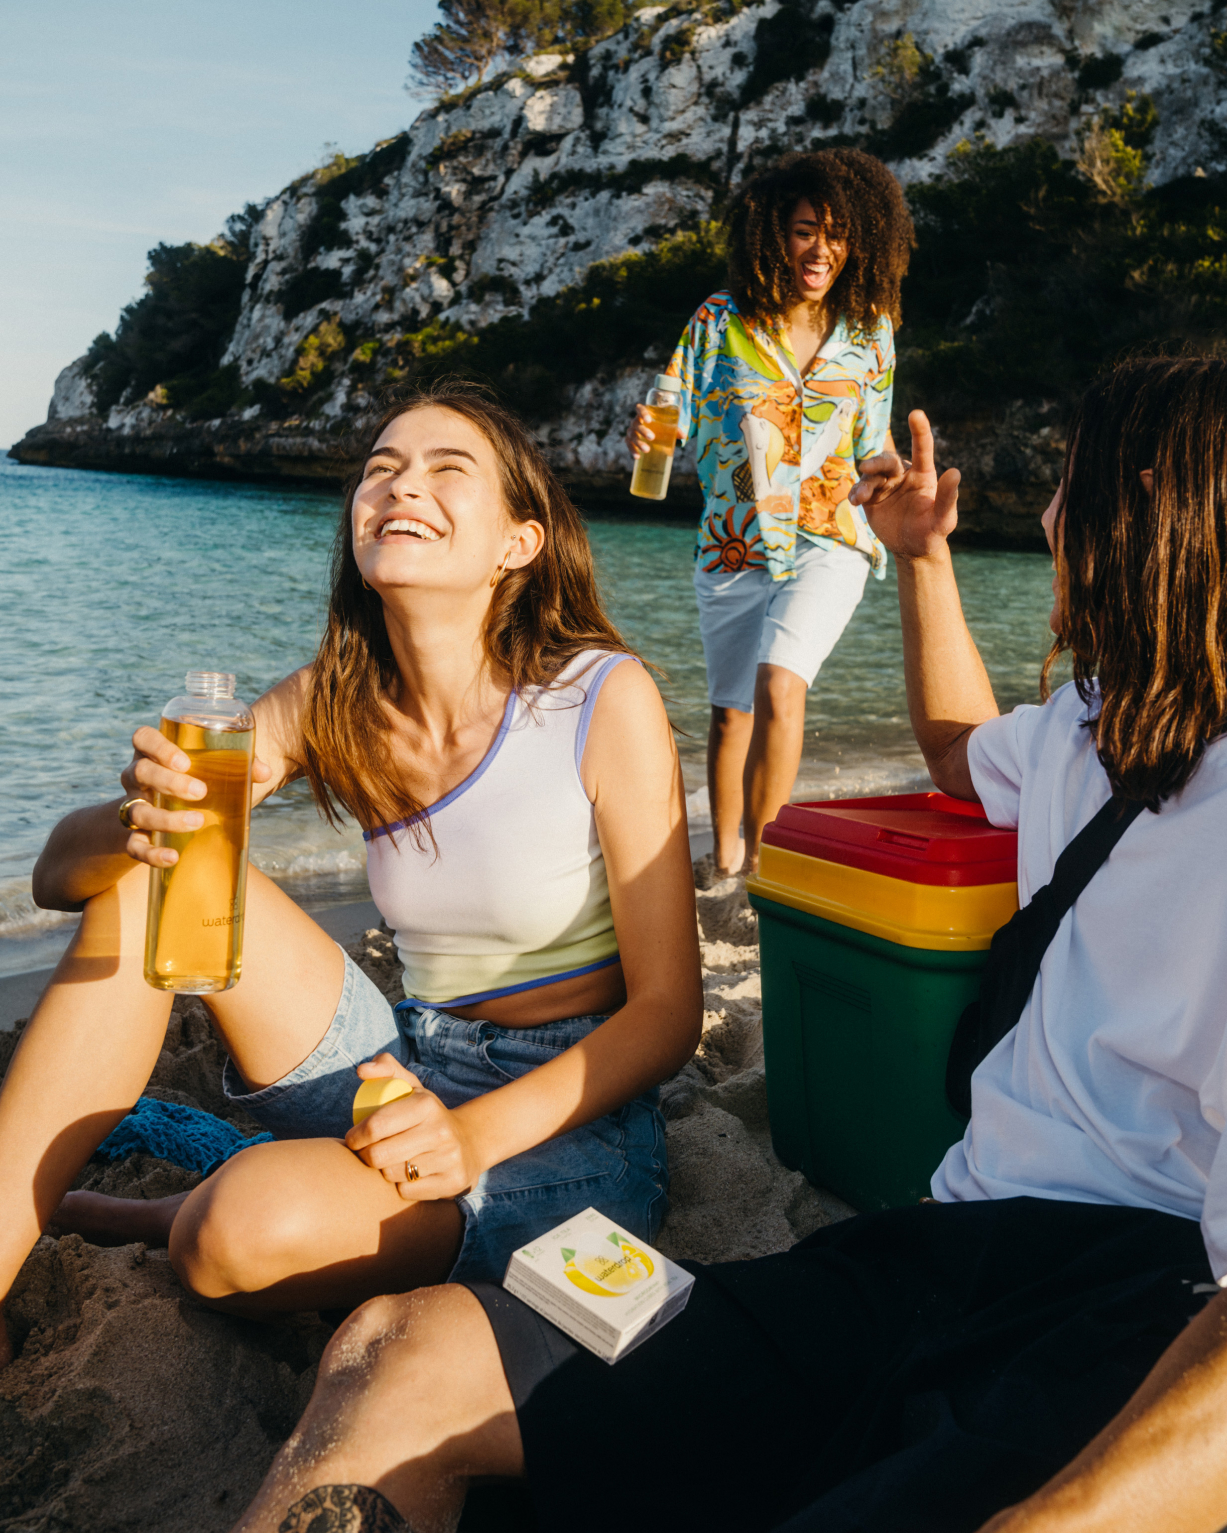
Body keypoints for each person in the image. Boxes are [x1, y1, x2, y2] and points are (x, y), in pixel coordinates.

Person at [231, 356, 1227, 1533]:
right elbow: (962, 749)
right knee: (405, 1350)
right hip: (913, 1259)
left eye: (1071, 486)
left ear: (1151, 502)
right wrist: (919, 559)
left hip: (1129, 1308)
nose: (1052, 517)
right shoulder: (1091, 723)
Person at [0, 382, 703, 1368]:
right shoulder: (336, 700)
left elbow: (671, 1015)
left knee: (226, 1237)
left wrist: (468, 1142)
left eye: (446, 469)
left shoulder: (599, 698)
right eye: (381, 469)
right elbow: (56, 875)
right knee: (153, 877)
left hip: (564, 1124)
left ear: (520, 542)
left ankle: (145, 1215)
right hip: (399, 1064)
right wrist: (146, 816)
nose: (400, 485)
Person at [627, 148, 914, 877]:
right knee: (731, 712)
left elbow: (868, 437)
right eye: (804, 230)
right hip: (733, 541)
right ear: (773, 235)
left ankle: (765, 862)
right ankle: (724, 863)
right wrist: (646, 437)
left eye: (837, 233)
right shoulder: (719, 322)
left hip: (830, 534)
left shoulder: (870, 328)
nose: (821, 249)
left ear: (861, 241)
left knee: (780, 683)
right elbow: (671, 414)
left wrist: (893, 471)